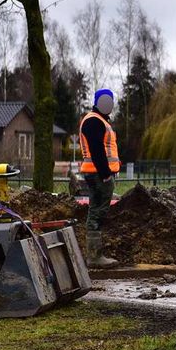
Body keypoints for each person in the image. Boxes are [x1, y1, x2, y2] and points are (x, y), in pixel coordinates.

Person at [78, 88, 121, 269]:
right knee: (97, 212)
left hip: (97, 173)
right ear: (98, 102)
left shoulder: (98, 120)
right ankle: (95, 257)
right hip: (98, 174)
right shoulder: (94, 121)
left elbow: (104, 148)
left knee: (96, 210)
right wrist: (105, 174)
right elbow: (97, 150)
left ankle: (94, 255)